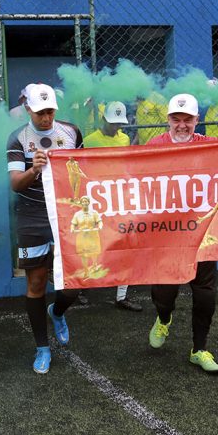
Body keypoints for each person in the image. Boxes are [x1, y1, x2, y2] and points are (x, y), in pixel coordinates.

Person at [7, 82, 83, 374]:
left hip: (66, 212)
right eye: (40, 112)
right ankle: (42, 348)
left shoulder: (71, 132)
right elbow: (15, 184)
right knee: (36, 284)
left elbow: (84, 168)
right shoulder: (18, 138)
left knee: (75, 283)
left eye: (50, 111)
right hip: (32, 215)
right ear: (28, 108)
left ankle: (59, 311)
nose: (46, 118)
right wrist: (33, 170)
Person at [145, 93, 218, 374]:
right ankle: (163, 318)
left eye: (187, 120)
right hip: (165, 236)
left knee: (205, 295)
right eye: (176, 119)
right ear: (168, 120)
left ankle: (199, 349)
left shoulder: (210, 146)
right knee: (164, 294)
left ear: (197, 120)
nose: (181, 125)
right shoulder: (154, 146)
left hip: (202, 234)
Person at [82, 100, 143, 312]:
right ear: (103, 119)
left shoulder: (125, 139)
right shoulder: (89, 141)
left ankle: (122, 296)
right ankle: (83, 289)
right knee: (93, 245)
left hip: (119, 199)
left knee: (125, 243)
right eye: (112, 122)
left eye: (119, 123)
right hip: (97, 200)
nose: (116, 127)